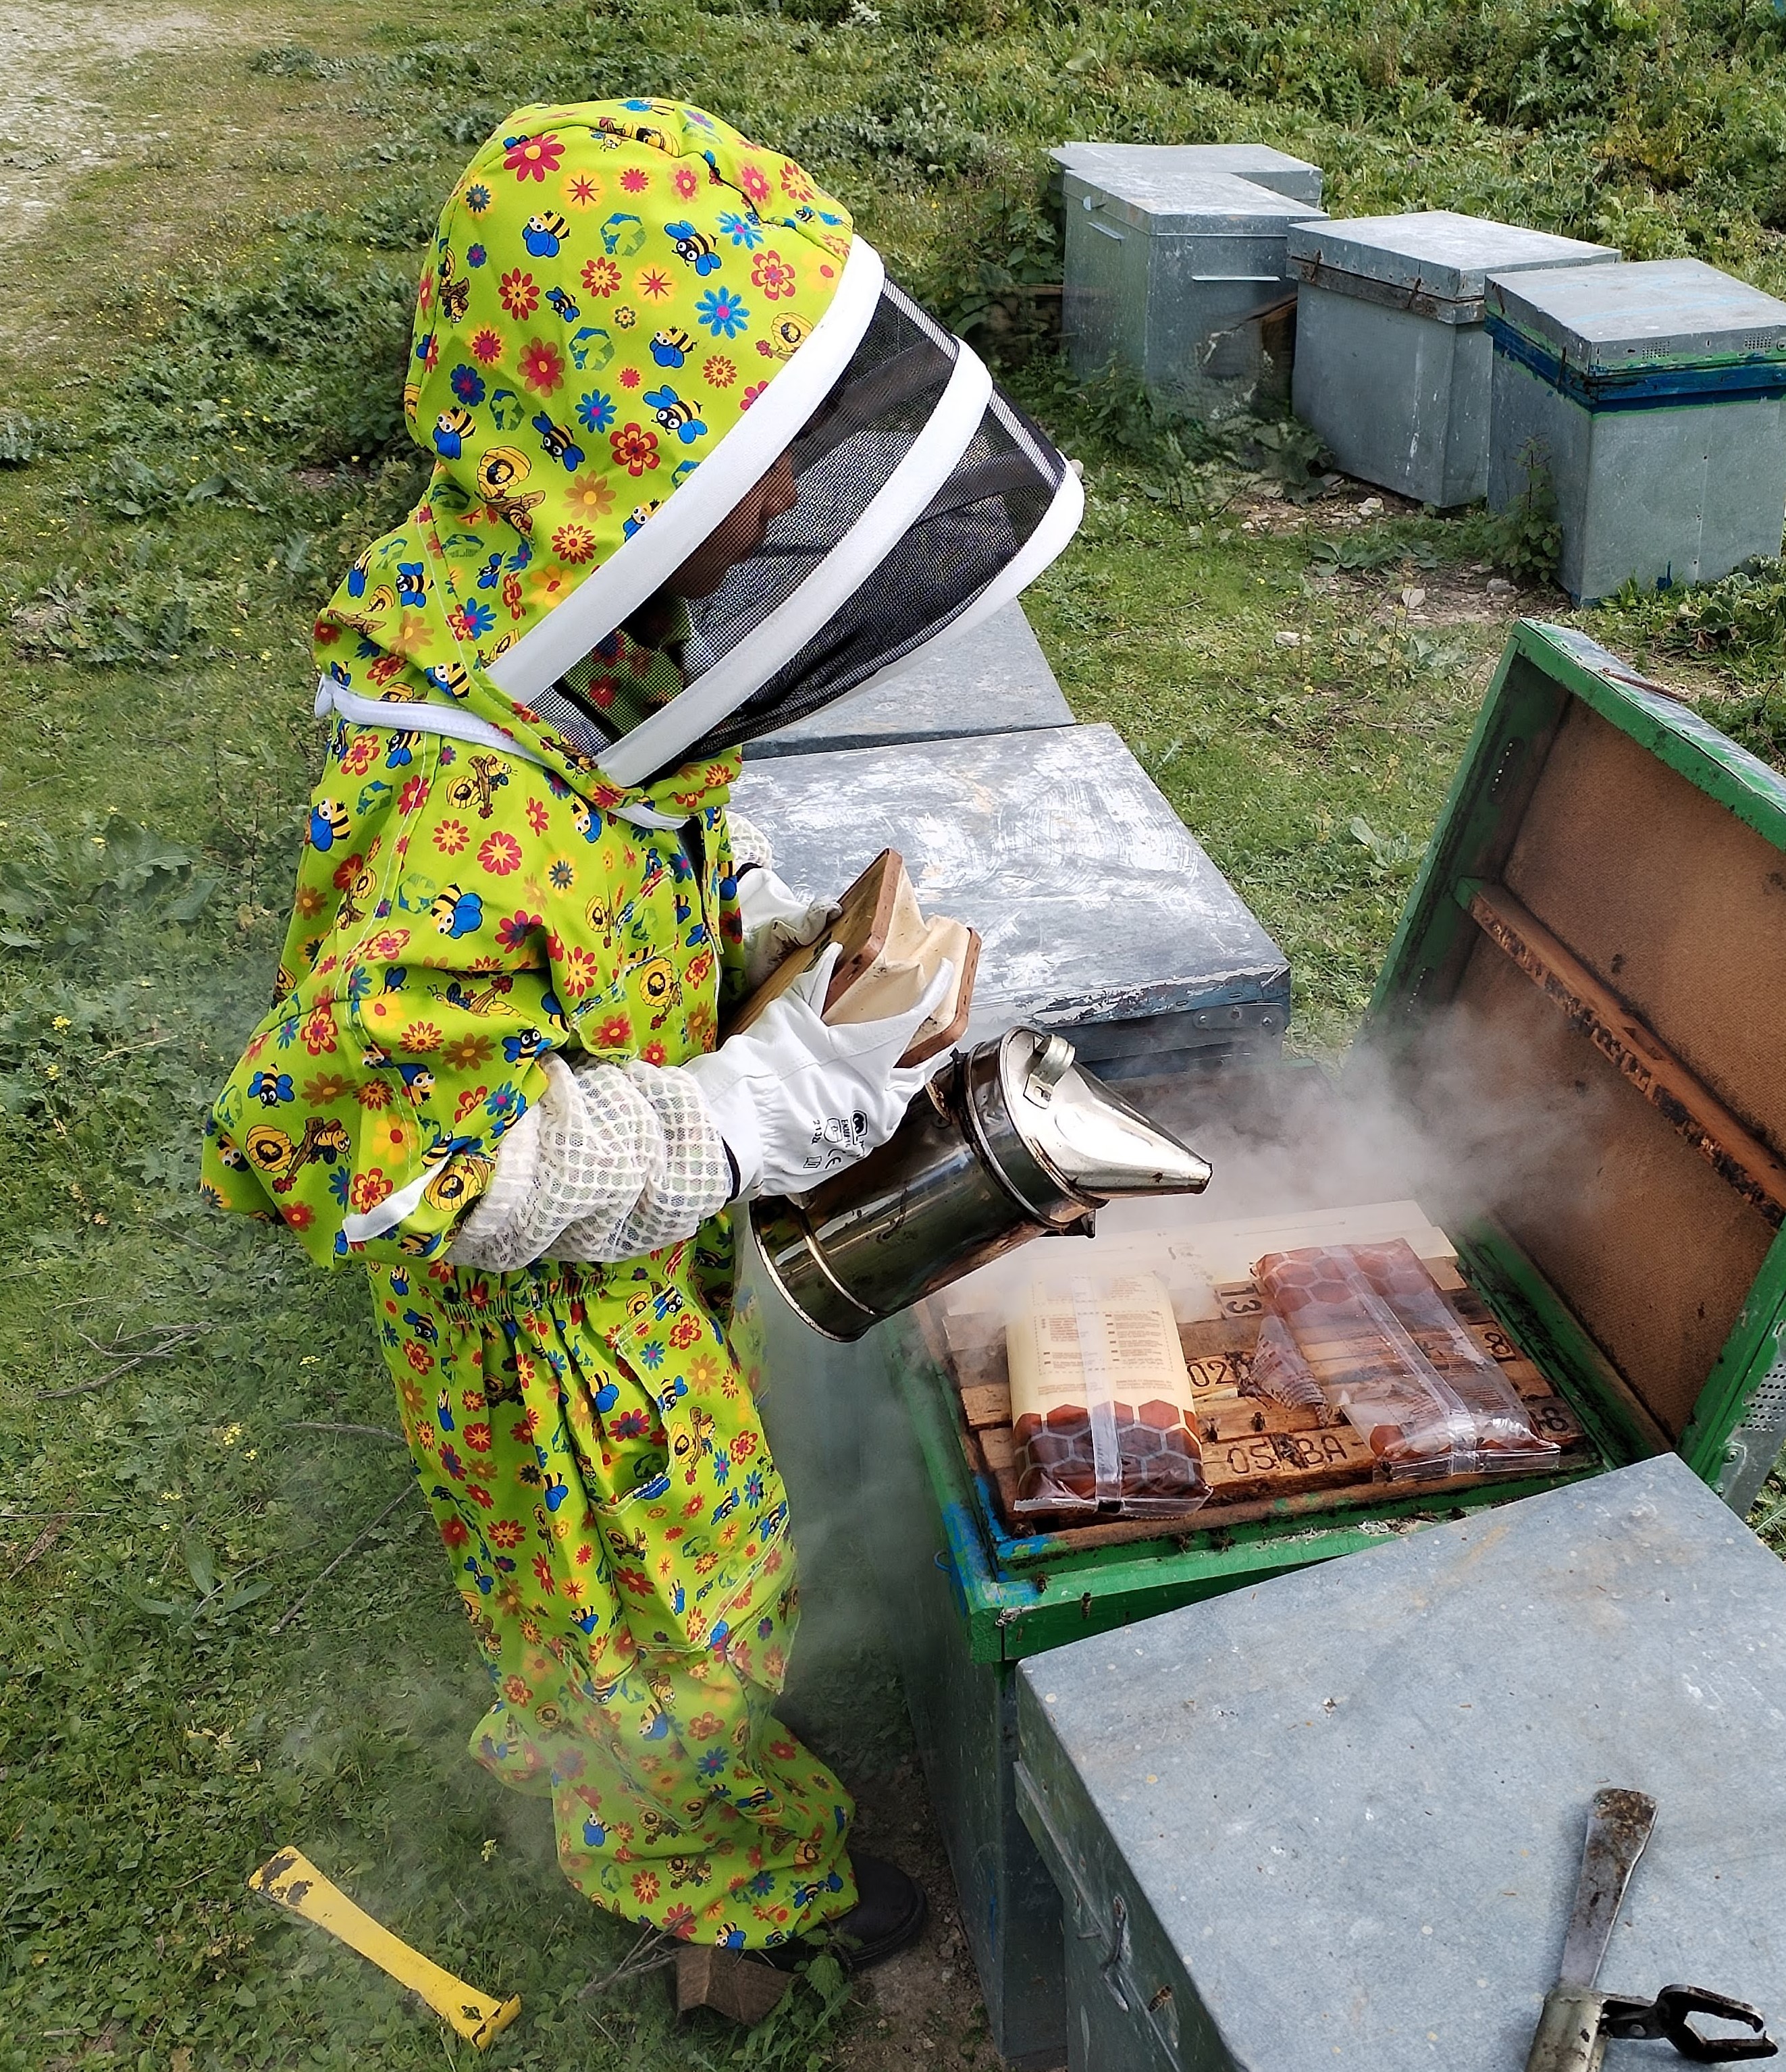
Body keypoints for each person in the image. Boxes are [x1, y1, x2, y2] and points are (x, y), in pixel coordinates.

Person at [203, 97, 1079, 1962]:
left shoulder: (547, 646)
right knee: (663, 1620)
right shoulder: (465, 802)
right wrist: (761, 1104)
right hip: (548, 1338)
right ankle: (724, 1896)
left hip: (613, 1303)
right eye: (741, 461)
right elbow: (422, 1161)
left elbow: (595, 894)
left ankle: (597, 1750)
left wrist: (756, 950)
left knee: (609, 1606)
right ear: (607, 462)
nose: (780, 506)